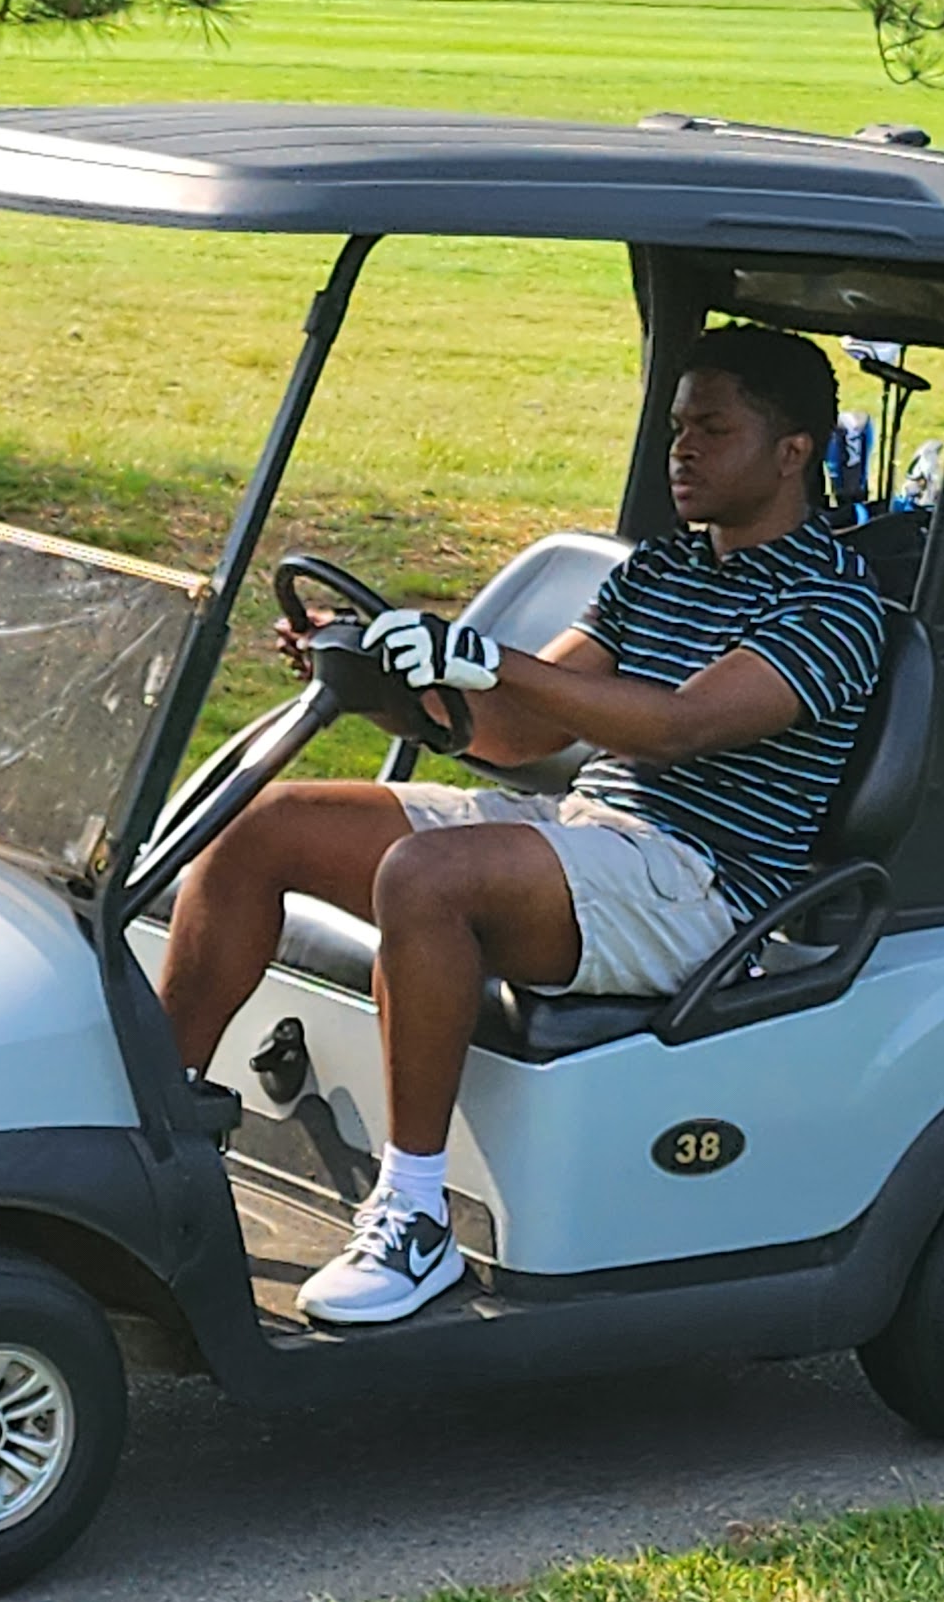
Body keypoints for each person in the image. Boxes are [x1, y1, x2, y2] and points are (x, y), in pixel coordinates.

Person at [160, 324, 886, 1325]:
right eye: (678, 427)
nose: (681, 450)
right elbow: (517, 732)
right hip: (586, 828)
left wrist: (490, 659)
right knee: (265, 822)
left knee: (427, 875)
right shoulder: (660, 571)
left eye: (713, 430)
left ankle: (415, 1220)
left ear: (793, 451)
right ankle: (156, 1136)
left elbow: (678, 726)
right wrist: (387, 685)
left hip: (700, 887)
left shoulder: (833, 603)